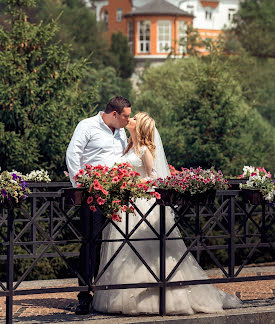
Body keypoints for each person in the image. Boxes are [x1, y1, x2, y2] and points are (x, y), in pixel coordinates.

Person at [93, 112, 242, 315]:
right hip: (128, 205)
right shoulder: (129, 147)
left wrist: (130, 183)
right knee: (124, 252)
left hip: (143, 204)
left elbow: (153, 178)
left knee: (149, 251)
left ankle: (157, 298)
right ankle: (122, 297)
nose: (130, 120)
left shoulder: (145, 150)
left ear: (141, 127)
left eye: (134, 118)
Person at [66, 96, 131, 315]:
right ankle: (85, 296)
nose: (127, 121)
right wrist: (81, 188)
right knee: (91, 243)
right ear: (114, 114)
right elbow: (73, 155)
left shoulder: (120, 131)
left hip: (117, 196)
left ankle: (108, 294)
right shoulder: (87, 126)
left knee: (114, 243)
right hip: (92, 196)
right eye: (125, 116)